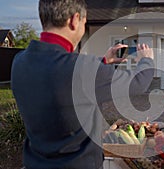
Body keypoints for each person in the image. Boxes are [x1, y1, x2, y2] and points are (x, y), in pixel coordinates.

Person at [11, 0, 154, 168]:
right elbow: (137, 83)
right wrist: (146, 60)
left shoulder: (19, 62)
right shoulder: (83, 69)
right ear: (74, 20)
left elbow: (57, 77)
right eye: (84, 23)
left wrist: (103, 62)